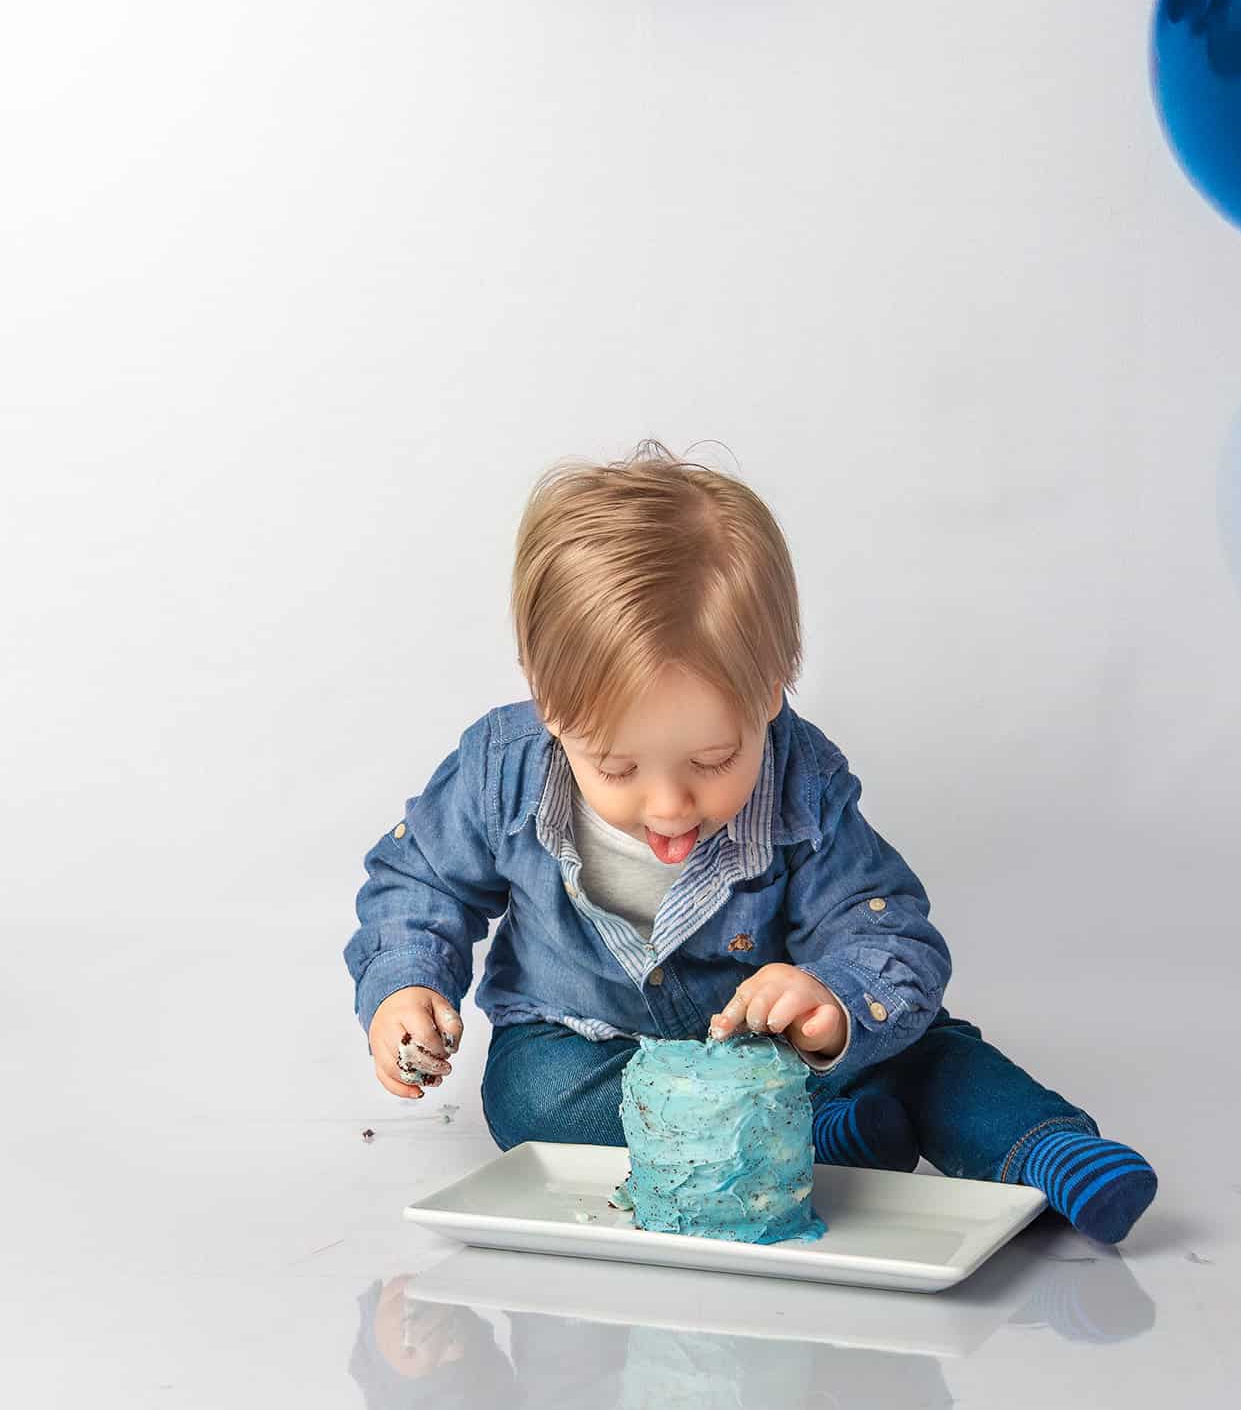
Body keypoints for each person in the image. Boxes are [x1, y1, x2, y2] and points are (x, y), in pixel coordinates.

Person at [341, 442, 1157, 1244]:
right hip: (590, 1039)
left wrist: (831, 1001)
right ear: (547, 702)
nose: (669, 806)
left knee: (923, 1046)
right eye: (617, 766)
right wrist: (405, 985)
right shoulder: (501, 770)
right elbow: (418, 880)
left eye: (713, 761)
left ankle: (1045, 1147)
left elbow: (888, 931)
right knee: (529, 1095)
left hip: (775, 1049)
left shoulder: (802, 783)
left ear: (771, 690)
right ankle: (817, 1136)